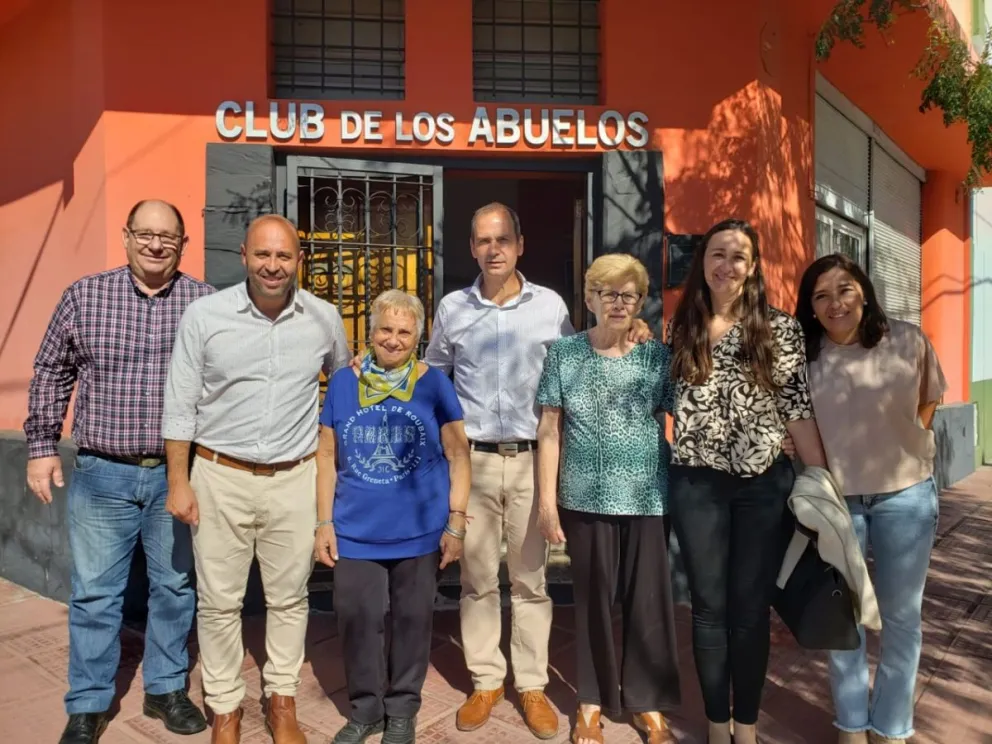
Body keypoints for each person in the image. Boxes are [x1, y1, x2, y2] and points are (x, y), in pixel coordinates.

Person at [424, 202, 651, 739]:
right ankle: (485, 680)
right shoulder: (452, 309)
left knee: (531, 581)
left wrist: (632, 327)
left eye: (502, 239)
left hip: (531, 460)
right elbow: (432, 378)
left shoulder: (548, 306)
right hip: (474, 463)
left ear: (520, 244)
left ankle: (530, 683)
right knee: (477, 580)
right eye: (483, 241)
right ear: (472, 248)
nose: (493, 249)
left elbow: (584, 360)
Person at [24, 200, 211, 744]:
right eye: (146, 234)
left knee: (175, 589)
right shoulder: (86, 296)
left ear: (183, 244)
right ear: (126, 236)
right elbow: (51, 371)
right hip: (101, 472)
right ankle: (88, 702)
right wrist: (40, 447)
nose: (157, 245)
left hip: (175, 476)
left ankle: (165, 689)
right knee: (95, 594)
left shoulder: (203, 303)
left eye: (168, 237)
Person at [161, 214, 351, 744]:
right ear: (244, 255)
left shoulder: (323, 317)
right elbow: (179, 404)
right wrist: (180, 480)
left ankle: (282, 699)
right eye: (263, 255)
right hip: (219, 476)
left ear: (299, 260)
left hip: (294, 476)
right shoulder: (205, 316)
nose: (273, 266)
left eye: (284, 256)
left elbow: (341, 388)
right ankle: (225, 707)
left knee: (289, 597)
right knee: (218, 601)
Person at [666, 218, 827, 744]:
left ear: (753, 267)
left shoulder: (780, 329)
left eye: (738, 256)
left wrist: (823, 482)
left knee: (750, 609)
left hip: (762, 485)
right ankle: (717, 724)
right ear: (703, 262)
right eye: (717, 253)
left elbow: (798, 409)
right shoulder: (682, 326)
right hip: (695, 486)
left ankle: (748, 725)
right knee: (709, 608)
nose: (726, 265)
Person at [795, 253, 945, 744]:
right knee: (845, 617)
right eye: (821, 295)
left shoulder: (907, 339)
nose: (834, 302)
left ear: (864, 291)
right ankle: (852, 725)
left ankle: (892, 725)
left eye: (844, 289)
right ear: (811, 307)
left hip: (905, 497)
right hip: (838, 505)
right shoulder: (805, 355)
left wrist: (906, 446)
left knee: (902, 616)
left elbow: (929, 399)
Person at [536, 254, 681, 744]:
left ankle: (648, 704)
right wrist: (546, 502)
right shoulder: (564, 354)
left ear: (640, 302)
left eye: (629, 295)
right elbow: (550, 429)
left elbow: (686, 416)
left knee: (648, 603)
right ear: (590, 296)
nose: (618, 303)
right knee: (593, 603)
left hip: (646, 497)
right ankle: (592, 701)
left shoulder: (655, 356)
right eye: (608, 293)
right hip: (584, 496)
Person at [315, 290, 471, 744]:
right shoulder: (345, 382)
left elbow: (459, 454)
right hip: (355, 529)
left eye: (405, 331)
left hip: (419, 530)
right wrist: (323, 522)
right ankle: (366, 709)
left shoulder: (434, 384)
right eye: (386, 328)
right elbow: (327, 453)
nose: (394, 338)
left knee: (413, 619)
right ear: (370, 331)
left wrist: (456, 521)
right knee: (357, 617)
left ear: (419, 337)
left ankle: (402, 708)